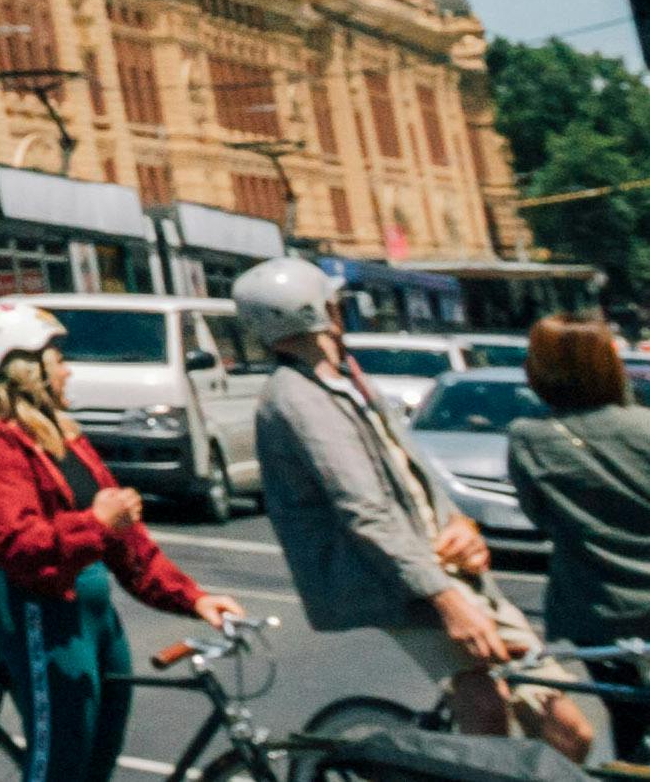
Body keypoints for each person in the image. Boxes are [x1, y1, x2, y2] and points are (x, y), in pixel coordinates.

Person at [239, 258, 593, 758]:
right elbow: (365, 510)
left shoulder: (345, 377)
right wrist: (447, 601)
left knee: (569, 730)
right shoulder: (296, 398)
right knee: (487, 718)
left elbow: (414, 475)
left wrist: (462, 525)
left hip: (448, 570)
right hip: (414, 587)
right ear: (322, 310)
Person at [0, 301, 241, 782]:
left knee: (98, 759)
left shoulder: (62, 435)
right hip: (43, 616)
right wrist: (97, 523)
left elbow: (128, 544)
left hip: (96, 618)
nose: (68, 369)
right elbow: (18, 547)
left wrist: (194, 598)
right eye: (57, 358)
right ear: (22, 369)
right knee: (60, 763)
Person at [510, 311, 650, 765]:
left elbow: (541, 517)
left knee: (629, 722)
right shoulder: (643, 427)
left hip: (597, 610)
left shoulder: (527, 438)